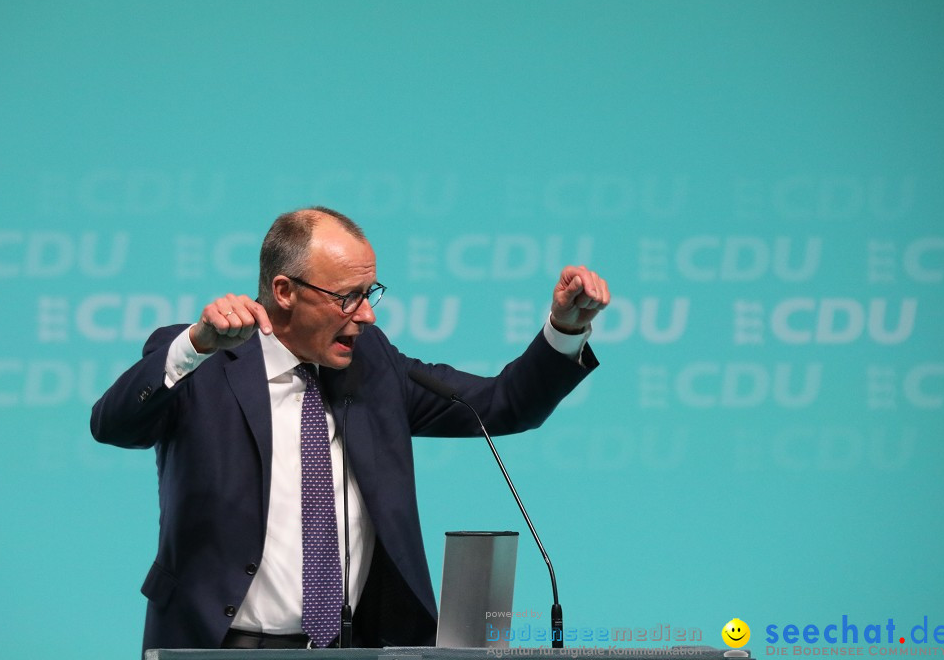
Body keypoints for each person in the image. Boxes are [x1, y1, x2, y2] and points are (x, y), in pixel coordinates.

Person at [91, 206, 609, 652]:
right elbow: (112, 424)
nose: (366, 316)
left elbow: (502, 405)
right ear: (284, 291)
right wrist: (194, 346)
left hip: (350, 651)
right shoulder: (205, 363)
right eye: (347, 297)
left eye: (370, 293)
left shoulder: (373, 365)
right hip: (215, 647)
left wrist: (565, 329)